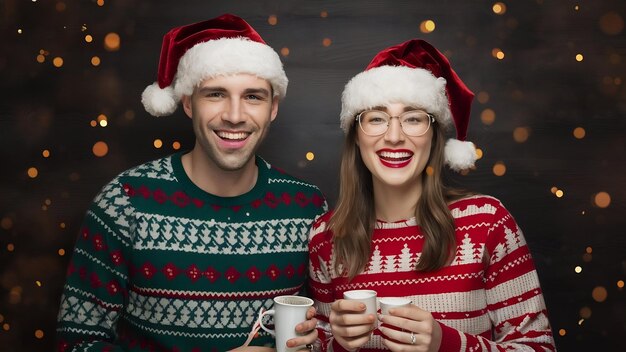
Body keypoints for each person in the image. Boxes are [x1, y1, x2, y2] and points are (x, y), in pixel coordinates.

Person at [56, 14, 327, 352]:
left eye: (253, 97)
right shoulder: (125, 201)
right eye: (215, 94)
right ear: (187, 101)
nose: (234, 115)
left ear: (273, 107)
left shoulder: (308, 208)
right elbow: (77, 344)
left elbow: (328, 333)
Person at [308, 39, 555, 351]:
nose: (394, 137)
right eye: (376, 118)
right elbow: (315, 344)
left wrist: (445, 343)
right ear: (356, 137)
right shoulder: (325, 237)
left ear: (435, 136)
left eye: (413, 118)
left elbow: (540, 347)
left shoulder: (487, 223)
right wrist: (338, 344)